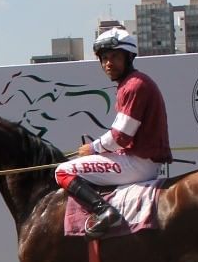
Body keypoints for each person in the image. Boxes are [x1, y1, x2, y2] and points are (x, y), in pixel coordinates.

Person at [54, 26, 173, 236]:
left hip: (138, 164)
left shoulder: (134, 86)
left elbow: (120, 136)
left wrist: (93, 148)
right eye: (104, 58)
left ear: (128, 57)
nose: (109, 63)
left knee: (63, 170)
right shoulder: (132, 83)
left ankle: (105, 212)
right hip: (140, 160)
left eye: (115, 56)